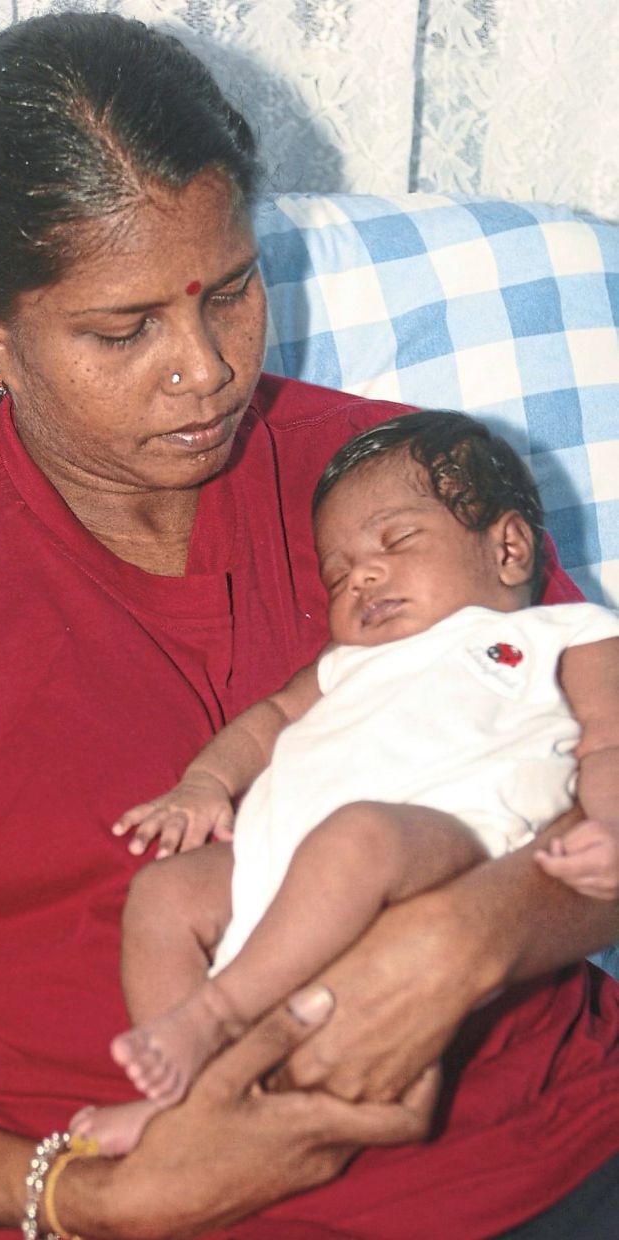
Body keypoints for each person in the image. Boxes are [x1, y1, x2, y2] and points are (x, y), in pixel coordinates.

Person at [0, 11, 618, 1240]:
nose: (205, 370)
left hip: (556, 1150)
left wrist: (470, 936)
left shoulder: (403, 495)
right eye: (123, 331)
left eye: (231, 292)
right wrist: (89, 1195)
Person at [71, 410, 619, 1155]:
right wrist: (203, 783)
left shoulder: (568, 634)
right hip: (292, 866)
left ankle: (213, 1020)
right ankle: (189, 1110)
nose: (361, 574)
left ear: (510, 547)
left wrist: (611, 828)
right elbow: (267, 720)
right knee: (164, 894)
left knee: (358, 834)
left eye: (396, 542)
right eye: (338, 572)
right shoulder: (344, 663)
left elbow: (611, 741)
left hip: (447, 848)